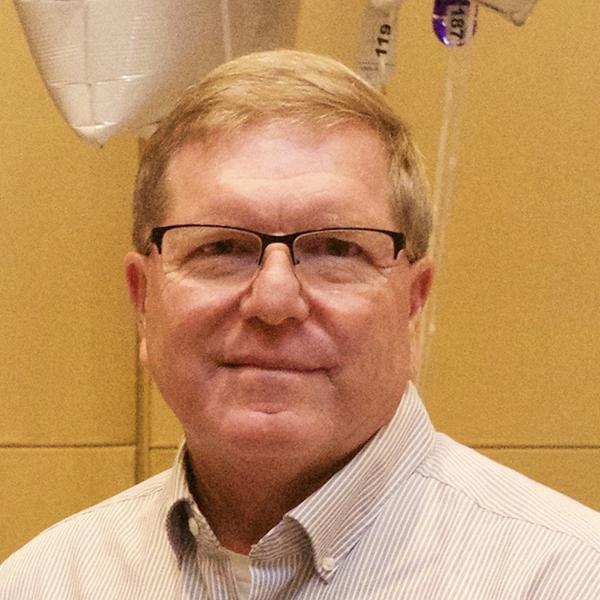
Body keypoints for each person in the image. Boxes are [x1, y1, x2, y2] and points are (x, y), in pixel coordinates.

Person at [1, 49, 599, 599]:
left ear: (413, 306)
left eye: (337, 249)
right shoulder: (45, 583)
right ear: (142, 301)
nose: (274, 299)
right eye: (220, 248)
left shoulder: (566, 577)